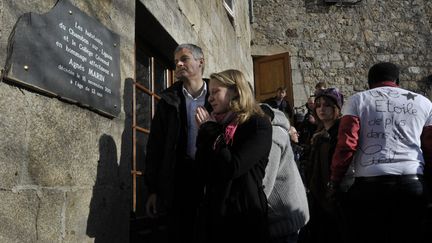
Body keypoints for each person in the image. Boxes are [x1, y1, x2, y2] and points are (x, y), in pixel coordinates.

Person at [328, 62, 432, 243]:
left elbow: (346, 145)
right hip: (413, 182)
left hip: (370, 186)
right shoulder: (424, 103)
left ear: (369, 82)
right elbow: (430, 146)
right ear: (397, 81)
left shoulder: (358, 100)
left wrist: (335, 180)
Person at [195, 69, 272, 243]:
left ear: (235, 91)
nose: (210, 98)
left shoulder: (258, 124)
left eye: (216, 92)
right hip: (214, 217)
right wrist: (205, 134)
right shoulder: (215, 125)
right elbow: (201, 171)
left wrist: (210, 131)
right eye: (209, 93)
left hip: (244, 218)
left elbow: (233, 167)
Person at [144, 43, 212, 242]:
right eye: (176, 62)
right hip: (178, 181)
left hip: (210, 178)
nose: (179, 64)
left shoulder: (217, 95)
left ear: (201, 62)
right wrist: (153, 190)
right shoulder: (168, 100)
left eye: (184, 59)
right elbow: (155, 146)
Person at [260, 104, 310, 243]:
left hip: (282, 223)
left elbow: (263, 187)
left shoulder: (271, 135)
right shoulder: (274, 126)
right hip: (289, 216)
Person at [304, 88, 346, 243]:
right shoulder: (320, 133)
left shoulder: (341, 132)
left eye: (327, 105)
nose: (321, 109)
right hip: (319, 194)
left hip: (335, 197)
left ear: (336, 108)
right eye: (319, 105)